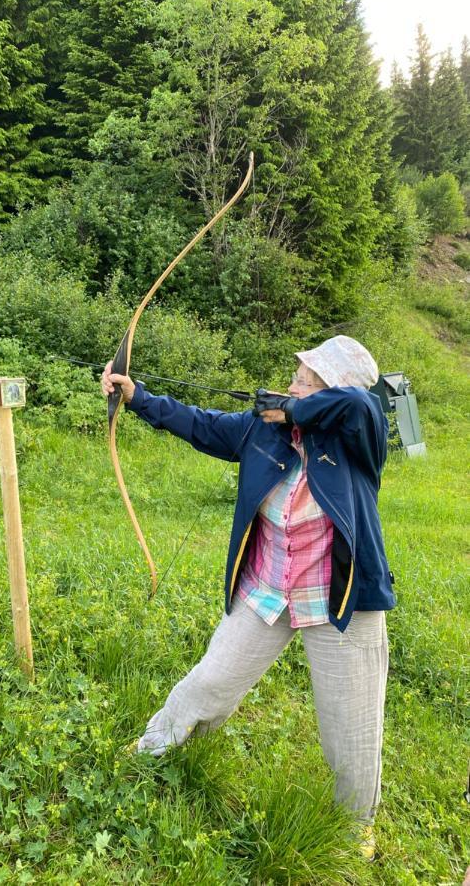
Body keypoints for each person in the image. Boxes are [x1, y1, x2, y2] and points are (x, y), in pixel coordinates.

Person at [101, 334, 395, 863]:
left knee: (349, 728)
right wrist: (137, 396)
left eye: (305, 380)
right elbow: (202, 424)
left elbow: (359, 403)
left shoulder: (358, 437)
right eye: (295, 377)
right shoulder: (264, 433)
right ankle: (154, 751)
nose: (291, 386)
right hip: (269, 586)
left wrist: (296, 410)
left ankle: (355, 831)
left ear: (327, 390)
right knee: (211, 678)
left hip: (341, 601)